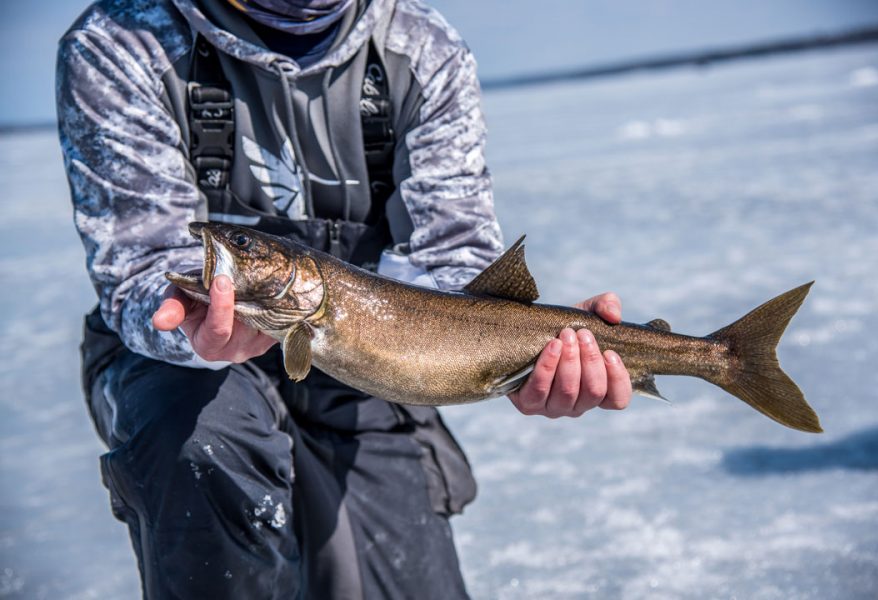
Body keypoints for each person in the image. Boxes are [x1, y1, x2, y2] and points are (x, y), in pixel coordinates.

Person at [57, 0, 633, 597]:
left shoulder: (419, 48)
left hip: (368, 360)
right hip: (177, 366)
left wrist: (517, 355)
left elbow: (450, 257)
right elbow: (139, 262)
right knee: (204, 451)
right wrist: (183, 325)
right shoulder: (121, 42)